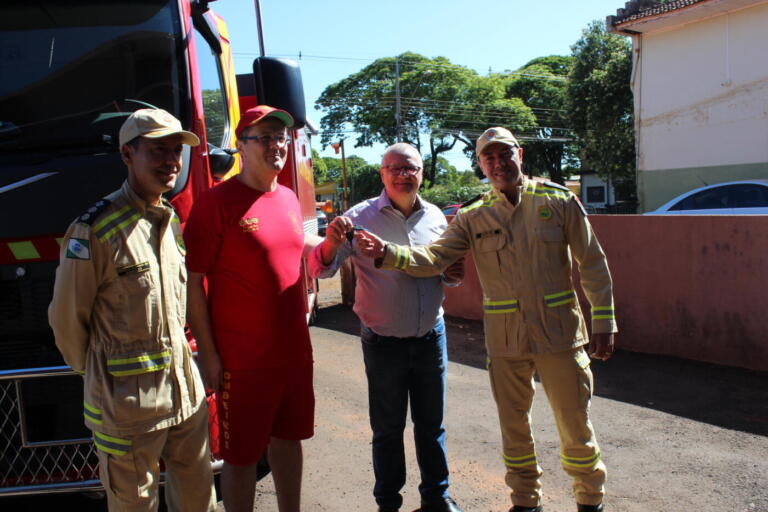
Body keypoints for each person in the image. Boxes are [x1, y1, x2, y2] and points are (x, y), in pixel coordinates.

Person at [355, 127, 617, 512]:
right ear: (480, 164)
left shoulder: (558, 200)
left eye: (504, 154)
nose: (498, 163)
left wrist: (604, 321)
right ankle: (525, 502)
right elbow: (435, 258)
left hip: (559, 335)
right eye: (488, 158)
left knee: (575, 427)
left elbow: (592, 262)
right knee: (514, 432)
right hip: (506, 342)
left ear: (519, 154)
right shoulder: (472, 215)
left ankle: (590, 500)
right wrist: (389, 253)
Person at [48, 108, 216, 511]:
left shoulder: (169, 220)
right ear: (127, 154)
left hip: (184, 396)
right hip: (126, 409)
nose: (171, 161)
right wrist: (104, 380)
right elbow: (67, 321)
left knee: (199, 500)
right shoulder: (94, 230)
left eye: (176, 150)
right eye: (158, 150)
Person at [309, 143, 464, 512]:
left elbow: (448, 274)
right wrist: (330, 243)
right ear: (382, 174)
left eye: (410, 168)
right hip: (384, 343)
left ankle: (436, 497)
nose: (402, 174)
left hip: (431, 337)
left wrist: (454, 274)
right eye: (394, 168)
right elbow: (320, 269)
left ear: (422, 173)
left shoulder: (436, 218)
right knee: (388, 428)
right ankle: (388, 502)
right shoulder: (359, 217)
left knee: (432, 426)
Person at [183, 105, 318, 512]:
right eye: (265, 138)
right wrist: (209, 354)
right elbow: (193, 283)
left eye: (281, 137)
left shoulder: (289, 198)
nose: (276, 145)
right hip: (242, 362)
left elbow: (294, 260)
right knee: (241, 456)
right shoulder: (215, 203)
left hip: (293, 355)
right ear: (241, 146)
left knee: (289, 440)